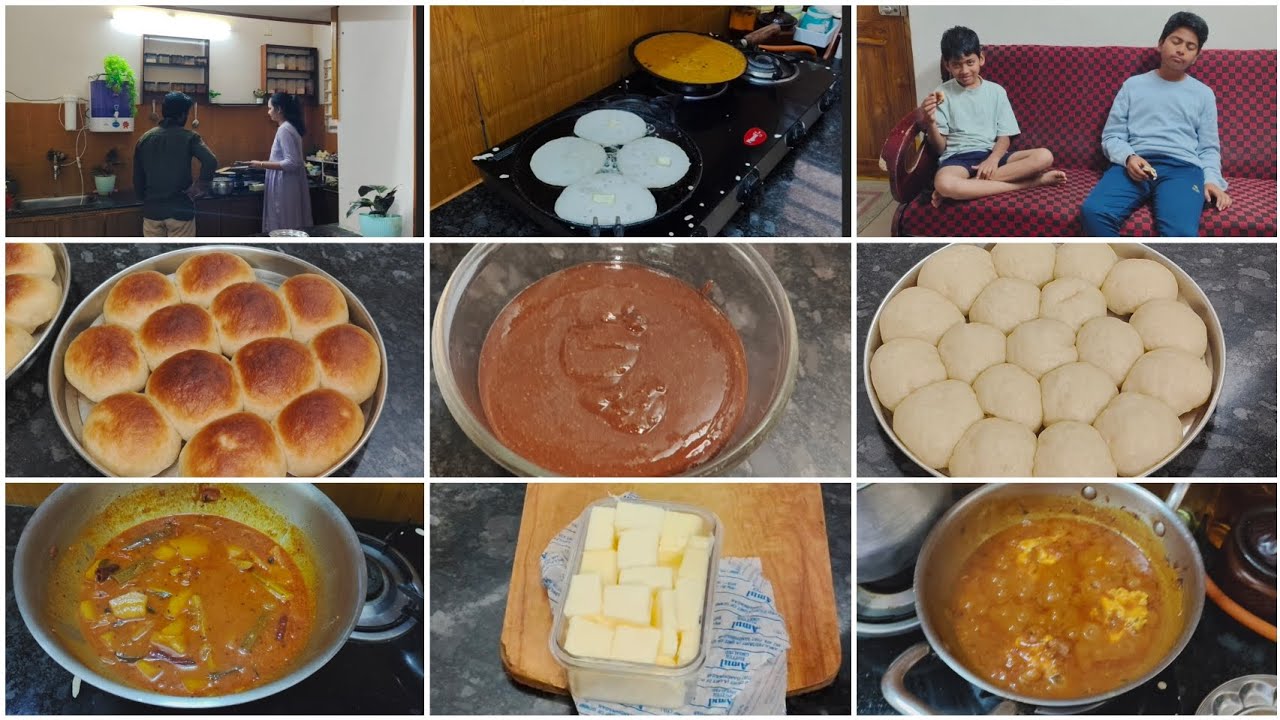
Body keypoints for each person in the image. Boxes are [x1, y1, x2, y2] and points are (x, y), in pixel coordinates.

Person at [1081, 12, 1231, 236]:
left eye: (1190, 47)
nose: (1181, 50)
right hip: (1135, 163)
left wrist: (1211, 180)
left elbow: (1208, 148)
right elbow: (1112, 136)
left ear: (1196, 57)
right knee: (1093, 212)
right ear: (1161, 44)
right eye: (1176, 41)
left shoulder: (1203, 94)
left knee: (1181, 232)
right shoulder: (1133, 86)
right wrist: (1129, 158)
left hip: (1182, 168)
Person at [920, 26, 1065, 208]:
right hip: (958, 157)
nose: (964, 70)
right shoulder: (942, 93)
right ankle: (1032, 182)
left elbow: (1005, 135)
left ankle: (965, 189)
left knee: (1044, 156)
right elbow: (941, 148)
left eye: (969, 62)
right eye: (956, 65)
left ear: (981, 59)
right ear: (947, 65)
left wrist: (993, 159)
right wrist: (931, 122)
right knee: (944, 183)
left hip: (991, 153)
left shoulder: (996, 91)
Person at [132, 92, 217, 236]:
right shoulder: (189, 137)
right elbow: (210, 161)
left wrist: (144, 199)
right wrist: (200, 186)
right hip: (180, 211)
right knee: (179, 255)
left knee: (156, 257)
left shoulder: (145, 139)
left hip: (152, 212)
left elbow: (137, 177)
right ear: (183, 115)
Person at [246, 92, 313, 233]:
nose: (268, 112)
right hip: (288, 181)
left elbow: (292, 163)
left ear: (279, 109)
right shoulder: (290, 127)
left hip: (284, 183)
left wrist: (261, 164)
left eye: (270, 108)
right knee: (290, 219)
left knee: (283, 221)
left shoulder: (284, 129)